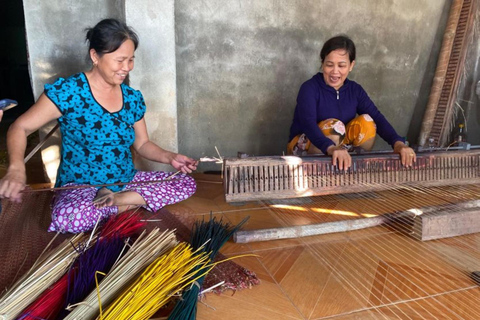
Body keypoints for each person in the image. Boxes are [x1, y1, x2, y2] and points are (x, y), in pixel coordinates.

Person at [0, 19, 197, 233]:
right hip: (81, 187)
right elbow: (20, 127)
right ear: (95, 56)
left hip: (125, 181)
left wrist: (170, 157)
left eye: (131, 60)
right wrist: (16, 168)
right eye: (120, 60)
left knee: (184, 182)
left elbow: (142, 144)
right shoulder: (70, 92)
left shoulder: (132, 98)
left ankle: (119, 200)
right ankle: (129, 204)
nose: (127, 68)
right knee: (68, 217)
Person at [287, 35, 416, 170]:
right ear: (322, 63)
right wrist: (330, 148)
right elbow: (308, 124)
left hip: (338, 148)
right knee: (335, 127)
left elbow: (377, 117)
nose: (335, 71)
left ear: (351, 65)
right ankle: (319, 174)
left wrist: (398, 143)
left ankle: (351, 170)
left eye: (341, 65)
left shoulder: (355, 90)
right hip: (305, 149)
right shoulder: (310, 88)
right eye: (329, 65)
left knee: (367, 122)